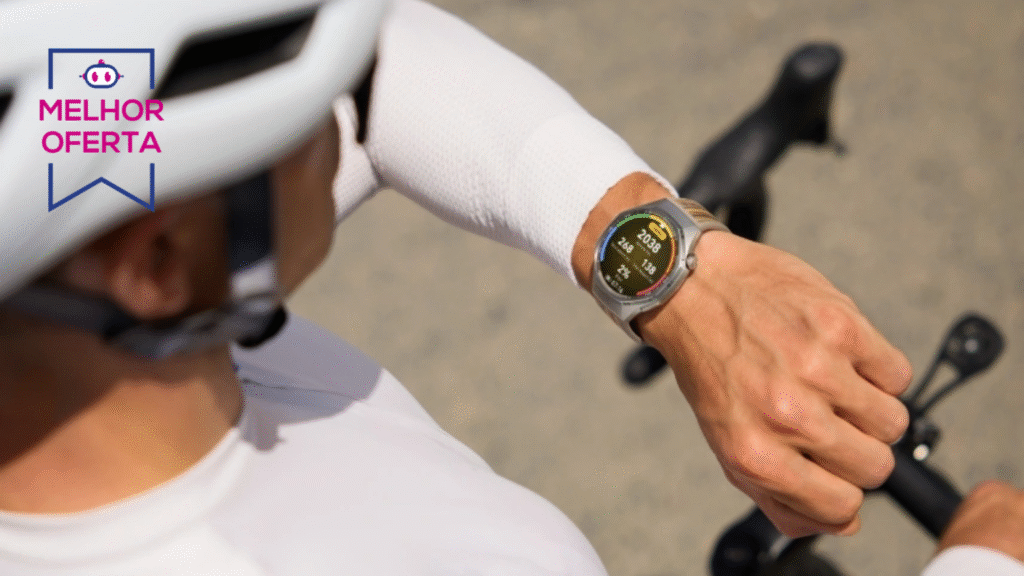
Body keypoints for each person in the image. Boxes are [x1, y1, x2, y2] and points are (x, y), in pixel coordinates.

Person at [0, 0, 1019, 573]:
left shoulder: (81, 303)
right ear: (156, 263)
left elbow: (395, 50)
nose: (356, 112)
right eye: (316, 107)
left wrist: (683, 277)